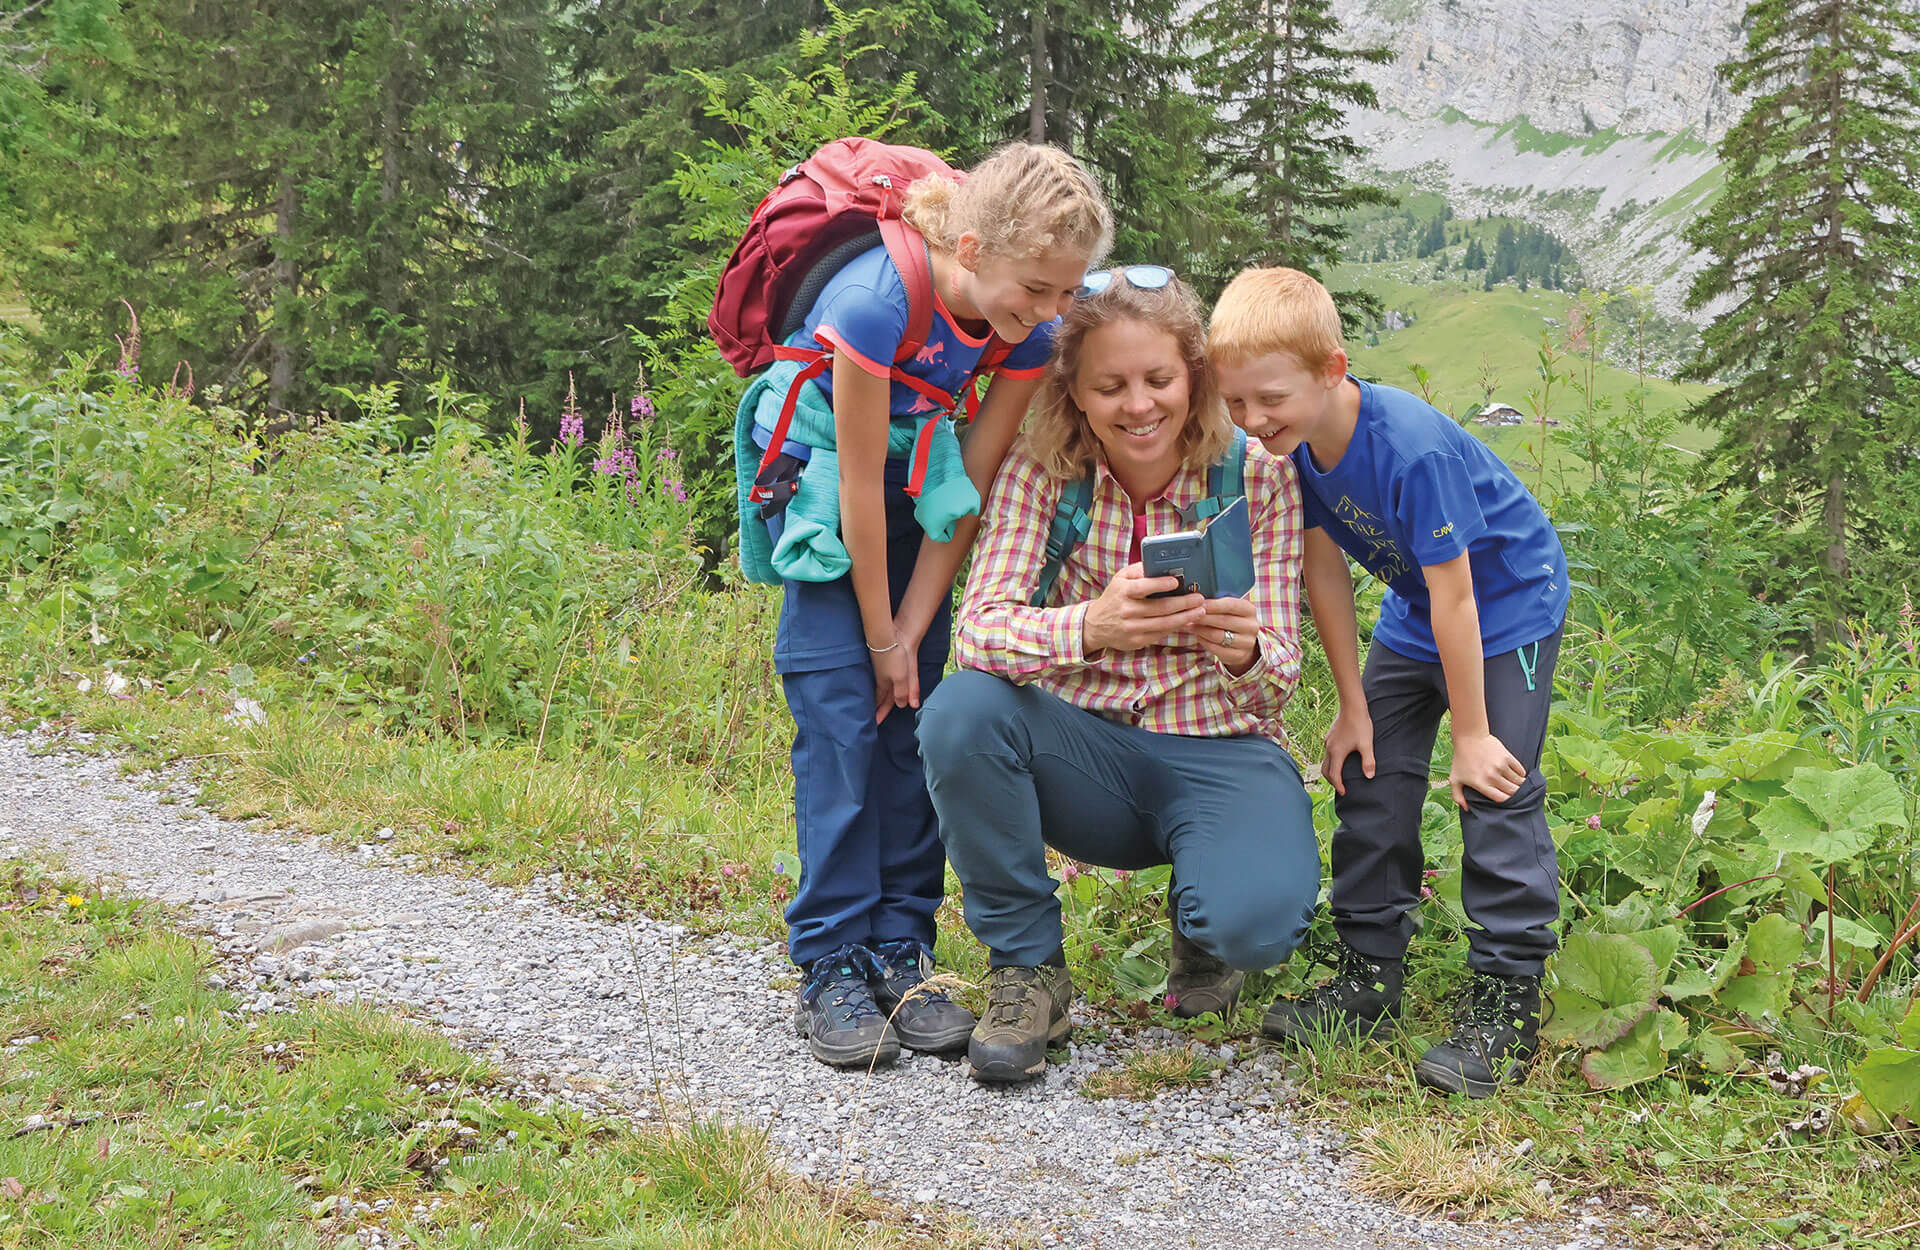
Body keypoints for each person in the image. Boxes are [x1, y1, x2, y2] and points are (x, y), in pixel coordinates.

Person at [740, 142, 1113, 1069]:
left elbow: (972, 483)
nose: (1054, 313)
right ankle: (829, 960)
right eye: (1039, 287)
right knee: (839, 721)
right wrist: (876, 632)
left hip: (919, 498)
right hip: (832, 499)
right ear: (976, 247)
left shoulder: (1025, 333)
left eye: (1070, 292)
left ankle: (901, 951)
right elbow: (858, 487)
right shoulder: (875, 302)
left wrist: (912, 629)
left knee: (913, 720)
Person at [915, 267, 1320, 1083]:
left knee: (1258, 924)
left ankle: (1207, 933)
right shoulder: (1044, 472)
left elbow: (1280, 677)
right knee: (961, 712)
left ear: (1195, 378)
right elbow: (979, 634)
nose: (1139, 406)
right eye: (1111, 386)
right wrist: (1093, 626)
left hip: (1221, 746)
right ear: (1076, 393)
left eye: (1159, 380)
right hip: (1085, 756)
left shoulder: (1259, 476)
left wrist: (1241, 648)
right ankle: (1029, 970)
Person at [1208, 267, 1569, 1098]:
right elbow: (1322, 569)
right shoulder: (1290, 452)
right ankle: (1369, 976)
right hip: (1418, 608)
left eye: (1270, 400)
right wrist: (1351, 705)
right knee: (1367, 770)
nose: (1254, 423)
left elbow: (1461, 593)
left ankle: (1507, 995)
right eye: (1236, 405)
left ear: (1332, 370)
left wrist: (1474, 735)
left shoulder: (1410, 446)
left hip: (1505, 605)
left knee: (1497, 787)